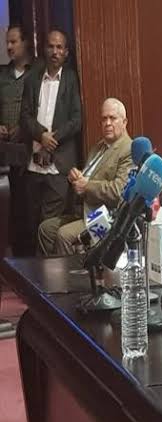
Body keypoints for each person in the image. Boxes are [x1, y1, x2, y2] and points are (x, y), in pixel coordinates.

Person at [37, 98, 133, 256]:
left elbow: (119, 191)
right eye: (104, 119)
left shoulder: (128, 150)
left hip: (107, 217)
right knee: (45, 229)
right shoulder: (98, 148)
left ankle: (71, 272)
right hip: (84, 210)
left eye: (112, 118)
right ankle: (51, 270)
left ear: (124, 122)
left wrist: (86, 185)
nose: (107, 123)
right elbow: (86, 179)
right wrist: (76, 178)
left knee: (64, 236)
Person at [20, 29, 82, 255]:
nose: (55, 51)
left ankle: (45, 274)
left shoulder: (71, 79)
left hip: (58, 167)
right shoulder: (32, 79)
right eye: (51, 46)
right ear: (44, 49)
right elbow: (24, 116)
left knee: (48, 225)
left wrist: (52, 139)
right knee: (31, 225)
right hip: (33, 166)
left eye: (59, 47)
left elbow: (76, 120)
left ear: (66, 52)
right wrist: (41, 135)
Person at [0, 25, 35, 257]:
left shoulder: (37, 71)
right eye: (7, 43)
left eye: (14, 42)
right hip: (5, 152)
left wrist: (26, 128)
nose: (9, 47)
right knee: (9, 208)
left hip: (31, 150)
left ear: (25, 42)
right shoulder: (3, 75)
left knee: (28, 208)